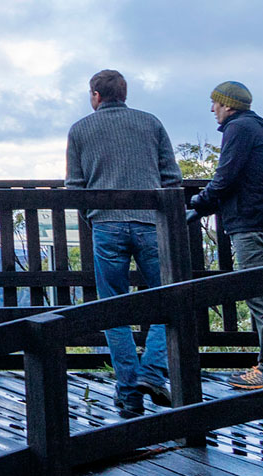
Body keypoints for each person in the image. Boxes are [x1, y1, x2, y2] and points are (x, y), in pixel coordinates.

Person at [66, 69, 181, 417]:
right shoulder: (151, 123)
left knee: (114, 309)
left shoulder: (80, 129)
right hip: (151, 223)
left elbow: (75, 186)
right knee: (167, 303)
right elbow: (171, 178)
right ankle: (152, 373)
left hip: (106, 225)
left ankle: (129, 392)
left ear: (96, 96)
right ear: (124, 94)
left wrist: (94, 214)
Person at [188, 81, 263, 389]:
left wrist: (197, 203)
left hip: (254, 225)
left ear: (228, 105)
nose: (212, 109)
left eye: (215, 103)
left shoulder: (240, 129)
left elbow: (225, 177)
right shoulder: (253, 127)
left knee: (262, 297)